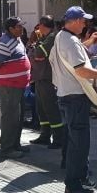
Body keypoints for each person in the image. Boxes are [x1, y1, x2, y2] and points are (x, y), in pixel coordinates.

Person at [50, 6, 97, 193]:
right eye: (83, 20)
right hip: (75, 98)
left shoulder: (61, 37)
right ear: (74, 21)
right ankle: (73, 185)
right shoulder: (70, 41)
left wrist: (91, 40)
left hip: (65, 95)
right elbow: (80, 69)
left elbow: (76, 52)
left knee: (75, 141)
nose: (85, 24)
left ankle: (80, 177)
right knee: (79, 144)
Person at [0, 17, 31, 159]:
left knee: (18, 116)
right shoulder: (5, 42)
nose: (21, 28)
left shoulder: (17, 39)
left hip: (18, 85)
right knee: (10, 116)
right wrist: (1, 75)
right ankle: (7, 148)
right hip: (9, 86)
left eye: (21, 26)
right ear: (10, 29)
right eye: (18, 26)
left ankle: (15, 144)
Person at [28, 15, 64, 149]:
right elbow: (32, 51)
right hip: (39, 77)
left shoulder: (52, 37)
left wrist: (34, 51)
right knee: (41, 108)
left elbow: (37, 53)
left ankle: (59, 138)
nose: (38, 28)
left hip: (48, 78)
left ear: (43, 25)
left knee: (51, 108)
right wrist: (34, 50)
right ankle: (45, 135)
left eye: (39, 25)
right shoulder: (44, 38)